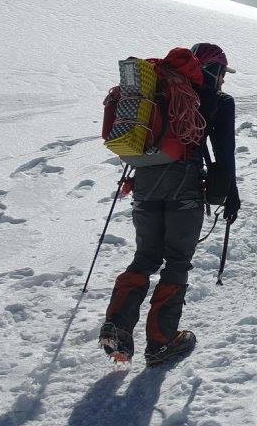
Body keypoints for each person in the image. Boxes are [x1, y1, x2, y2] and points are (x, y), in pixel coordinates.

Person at [100, 43, 241, 366]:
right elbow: (225, 152)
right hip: (185, 185)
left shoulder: (160, 95)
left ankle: (118, 325)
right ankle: (162, 342)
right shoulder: (218, 101)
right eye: (222, 73)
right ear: (215, 70)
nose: (223, 81)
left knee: (146, 256)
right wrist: (231, 193)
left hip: (146, 182)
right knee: (177, 261)